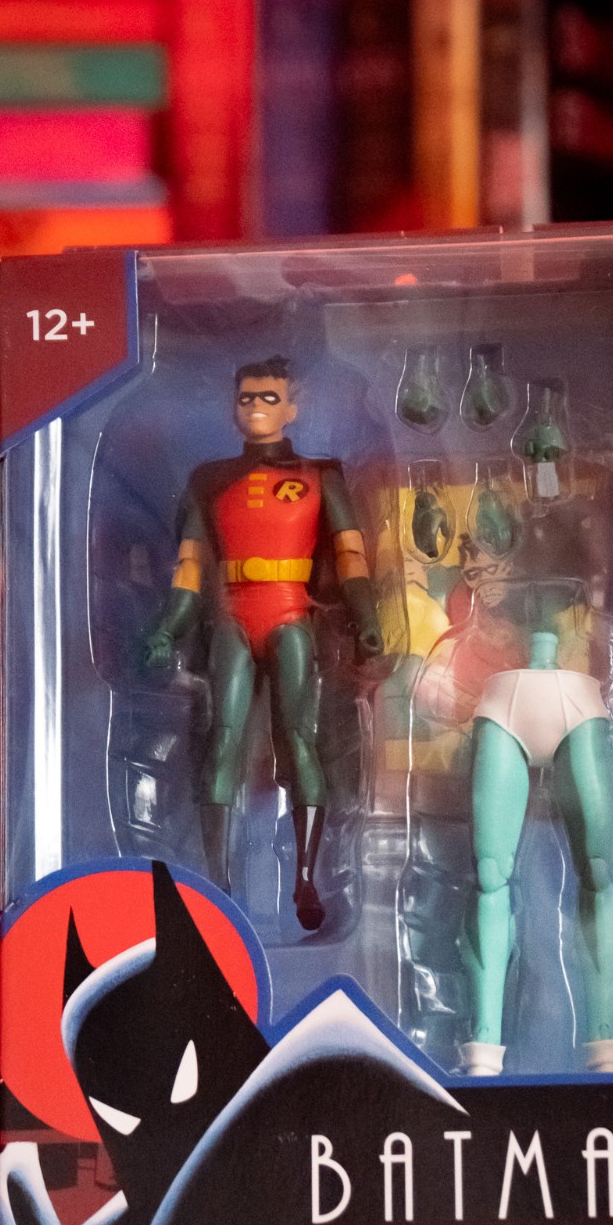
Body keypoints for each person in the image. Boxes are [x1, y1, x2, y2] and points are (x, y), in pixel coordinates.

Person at [144, 357, 383, 929]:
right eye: (247, 398)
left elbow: (351, 555)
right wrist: (168, 628)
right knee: (222, 742)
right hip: (232, 615)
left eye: (269, 398)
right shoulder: (209, 480)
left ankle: (305, 878)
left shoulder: (320, 475)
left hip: (291, 614)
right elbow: (189, 567)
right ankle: (217, 886)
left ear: (291, 408)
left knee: (300, 740)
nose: (255, 407)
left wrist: (367, 619)